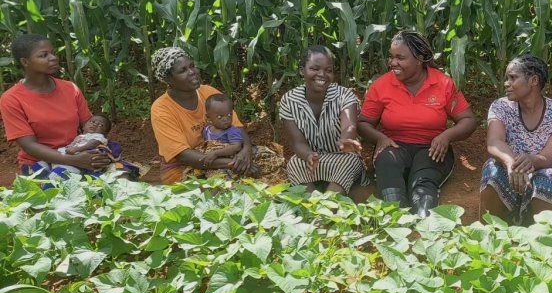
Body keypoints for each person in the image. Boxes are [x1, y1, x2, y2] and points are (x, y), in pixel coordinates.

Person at [358, 30, 477, 216]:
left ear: (419, 59)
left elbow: (468, 120)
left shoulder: (443, 84)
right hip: (394, 146)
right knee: (389, 170)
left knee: (423, 181)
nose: (393, 63)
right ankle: (395, 222)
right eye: (391, 57)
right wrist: (379, 138)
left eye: (400, 58)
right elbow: (364, 123)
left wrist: (446, 136)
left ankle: (424, 225)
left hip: (432, 148)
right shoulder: (381, 85)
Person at [0, 34, 111, 177]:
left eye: (53, 53)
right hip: (39, 163)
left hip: (77, 155)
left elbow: (90, 129)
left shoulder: (70, 89)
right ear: (25, 62)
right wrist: (73, 160)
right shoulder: (12, 99)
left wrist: (99, 154)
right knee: (60, 190)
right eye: (44, 55)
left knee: (121, 179)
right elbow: (29, 146)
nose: (53, 57)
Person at [480, 55, 552, 224]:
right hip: (509, 168)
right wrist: (510, 164)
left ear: (534, 80)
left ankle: (546, 236)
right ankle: (490, 233)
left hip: (544, 168)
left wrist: (530, 161)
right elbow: (495, 142)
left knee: (549, 179)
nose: (506, 83)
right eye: (507, 78)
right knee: (492, 170)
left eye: (513, 78)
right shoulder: (500, 106)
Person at [150, 47, 255, 184]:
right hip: (185, 166)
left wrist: (246, 151)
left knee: (268, 158)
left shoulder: (209, 92)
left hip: (225, 153)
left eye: (192, 66)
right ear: (168, 79)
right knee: (224, 186)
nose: (192, 72)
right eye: (183, 70)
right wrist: (234, 163)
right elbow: (184, 156)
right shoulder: (161, 109)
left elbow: (237, 126)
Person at [279, 45, 368, 195]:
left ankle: (326, 206)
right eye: (315, 68)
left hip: (341, 158)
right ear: (302, 70)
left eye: (328, 70)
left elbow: (349, 127)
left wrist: (345, 141)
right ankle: (311, 201)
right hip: (313, 160)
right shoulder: (289, 100)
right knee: (294, 163)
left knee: (350, 161)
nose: (322, 74)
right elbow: (297, 142)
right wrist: (308, 155)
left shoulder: (344, 95)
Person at [28, 113, 141, 186]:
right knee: (42, 164)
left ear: (105, 133)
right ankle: (36, 176)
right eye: (92, 122)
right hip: (65, 154)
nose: (96, 125)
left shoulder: (98, 137)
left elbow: (93, 144)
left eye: (101, 125)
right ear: (83, 126)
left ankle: (48, 185)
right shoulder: (80, 136)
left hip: (79, 160)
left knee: (62, 172)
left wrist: (77, 148)